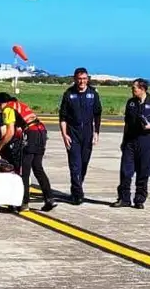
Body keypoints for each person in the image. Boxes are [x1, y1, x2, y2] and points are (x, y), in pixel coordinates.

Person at [0, 91, 56, 212]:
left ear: (1, 104)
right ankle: (50, 199)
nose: (0, 110)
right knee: (38, 167)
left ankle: (24, 202)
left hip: (31, 134)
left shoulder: (8, 109)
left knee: (24, 170)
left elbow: (10, 132)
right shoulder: (20, 105)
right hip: (41, 132)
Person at [112, 78, 150, 209]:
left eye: (134, 88)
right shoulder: (130, 103)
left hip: (146, 143)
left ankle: (139, 199)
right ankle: (124, 198)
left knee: (143, 172)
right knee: (125, 172)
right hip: (130, 142)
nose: (132, 90)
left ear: (142, 89)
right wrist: (124, 141)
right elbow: (127, 124)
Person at [58, 66, 102, 204]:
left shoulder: (93, 94)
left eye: (84, 79)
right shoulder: (69, 94)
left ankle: (76, 187)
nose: (82, 81)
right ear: (75, 79)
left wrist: (96, 132)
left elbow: (97, 114)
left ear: (88, 79)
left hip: (88, 133)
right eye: (79, 79)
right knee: (75, 164)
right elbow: (63, 117)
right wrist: (64, 135)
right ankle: (78, 194)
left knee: (83, 163)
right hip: (73, 134)